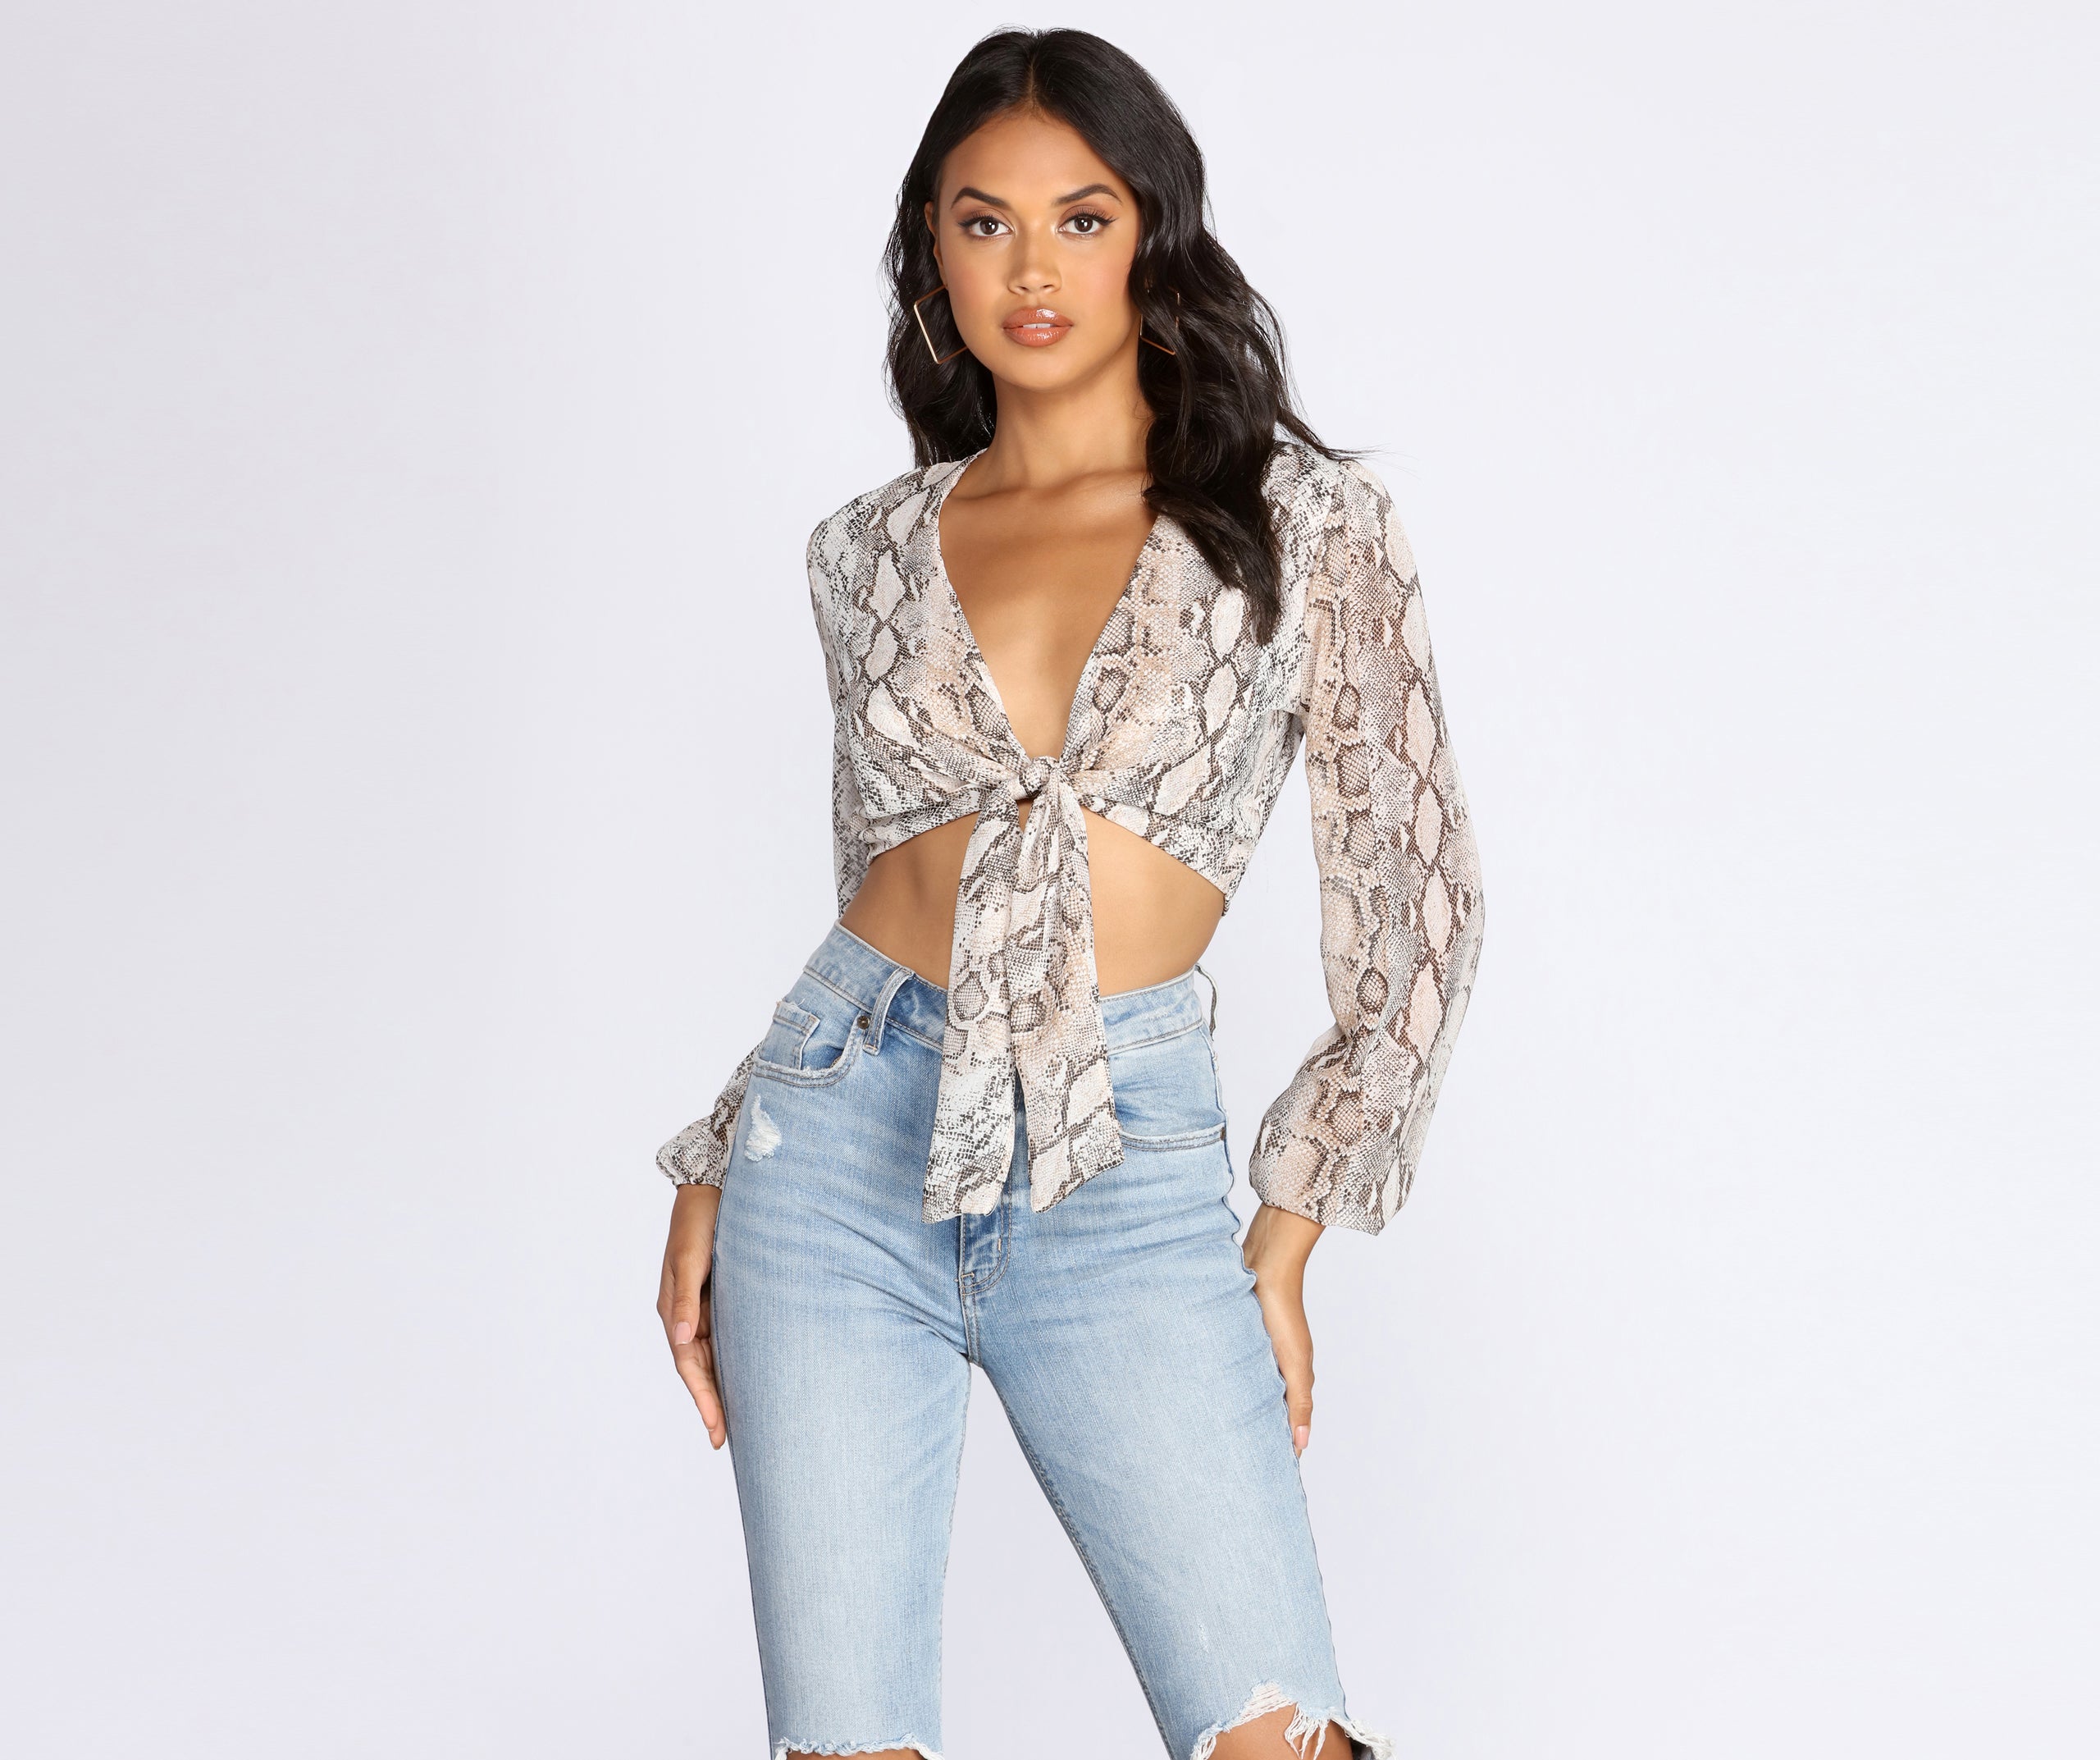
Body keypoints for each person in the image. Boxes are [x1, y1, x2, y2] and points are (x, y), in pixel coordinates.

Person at [653, 28, 1483, 1760]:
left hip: (1123, 1161)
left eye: (1080, 218)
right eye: (984, 223)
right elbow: (882, 885)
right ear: (931, 251)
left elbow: (1418, 906)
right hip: (834, 1152)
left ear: (1150, 235)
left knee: (1276, 1734)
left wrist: (1285, 1232)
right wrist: (730, 1142)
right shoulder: (866, 550)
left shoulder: (1301, 523)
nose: (1031, 270)